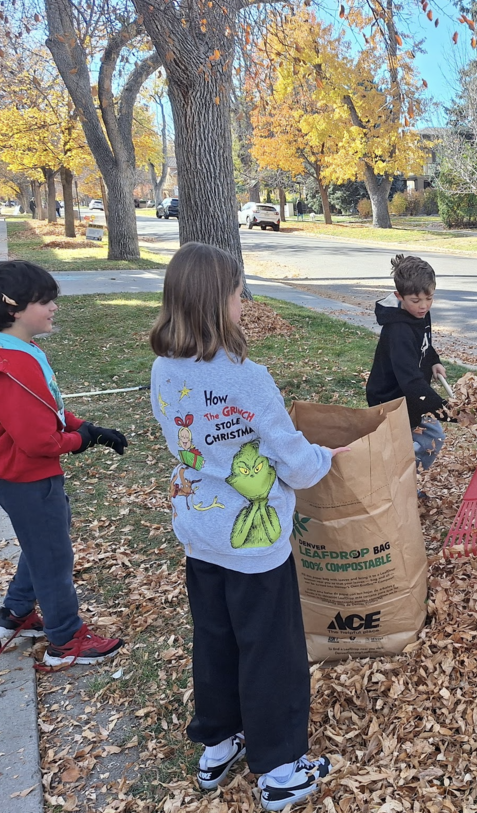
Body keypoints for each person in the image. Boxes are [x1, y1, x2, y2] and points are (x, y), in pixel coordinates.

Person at [149, 242, 346, 806]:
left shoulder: (163, 368)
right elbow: (294, 462)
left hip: (200, 533)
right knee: (271, 650)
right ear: (218, 303)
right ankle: (281, 768)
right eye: (238, 293)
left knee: (215, 639)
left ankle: (218, 742)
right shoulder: (248, 378)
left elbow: (189, 441)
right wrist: (327, 458)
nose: (243, 303)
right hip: (255, 547)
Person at [0, 260, 127, 667]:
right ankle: (66, 640)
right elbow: (38, 441)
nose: (53, 307)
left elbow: (41, 408)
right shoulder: (16, 367)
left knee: (44, 542)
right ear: (14, 309)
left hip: (10, 473)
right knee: (53, 556)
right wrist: (78, 440)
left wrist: (89, 427)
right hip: (26, 477)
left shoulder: (12, 349)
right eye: (44, 301)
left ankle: (16, 613)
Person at [366, 254, 449, 480]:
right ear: (399, 296)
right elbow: (412, 383)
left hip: (410, 397)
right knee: (400, 448)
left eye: (429, 298)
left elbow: (425, 343)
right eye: (415, 300)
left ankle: (407, 483)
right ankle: (396, 485)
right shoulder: (398, 331)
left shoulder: (421, 314)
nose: (424, 306)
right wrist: (449, 410)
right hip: (390, 401)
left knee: (433, 438)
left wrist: (434, 360)